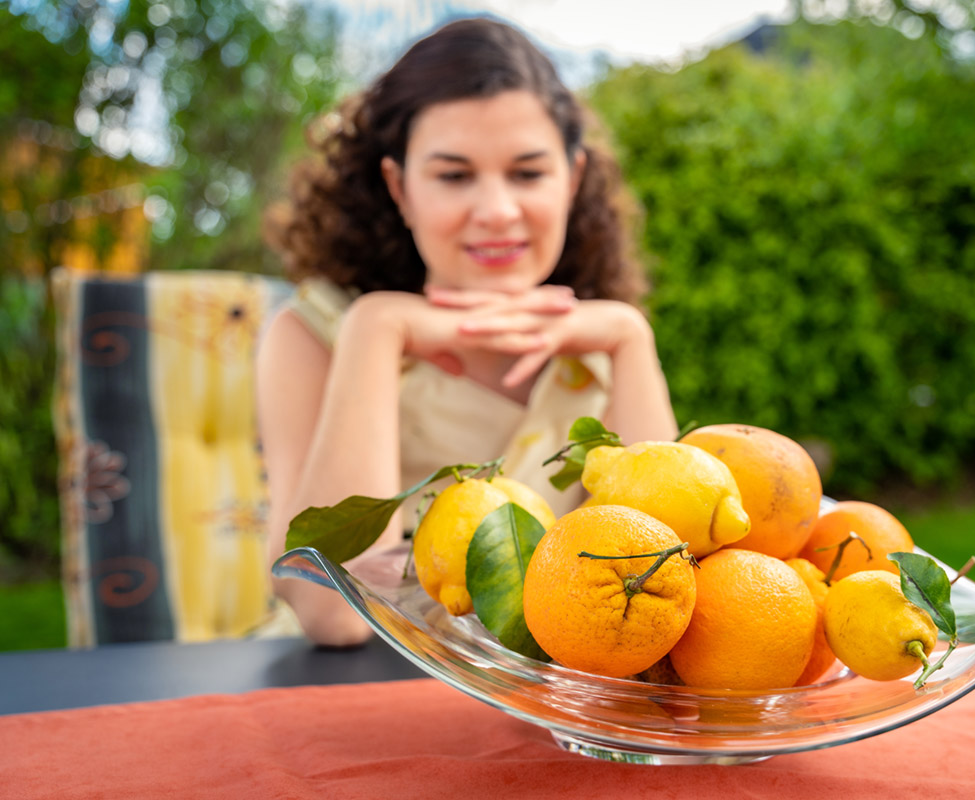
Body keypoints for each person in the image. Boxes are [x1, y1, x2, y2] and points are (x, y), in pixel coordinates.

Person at [258, 17, 677, 646]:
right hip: (340, 700)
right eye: (454, 176)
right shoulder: (314, 333)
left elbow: (661, 584)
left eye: (528, 174)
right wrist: (378, 328)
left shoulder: (604, 342)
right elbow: (333, 614)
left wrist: (628, 336)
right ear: (400, 188)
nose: (497, 211)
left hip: (539, 717)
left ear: (573, 179)